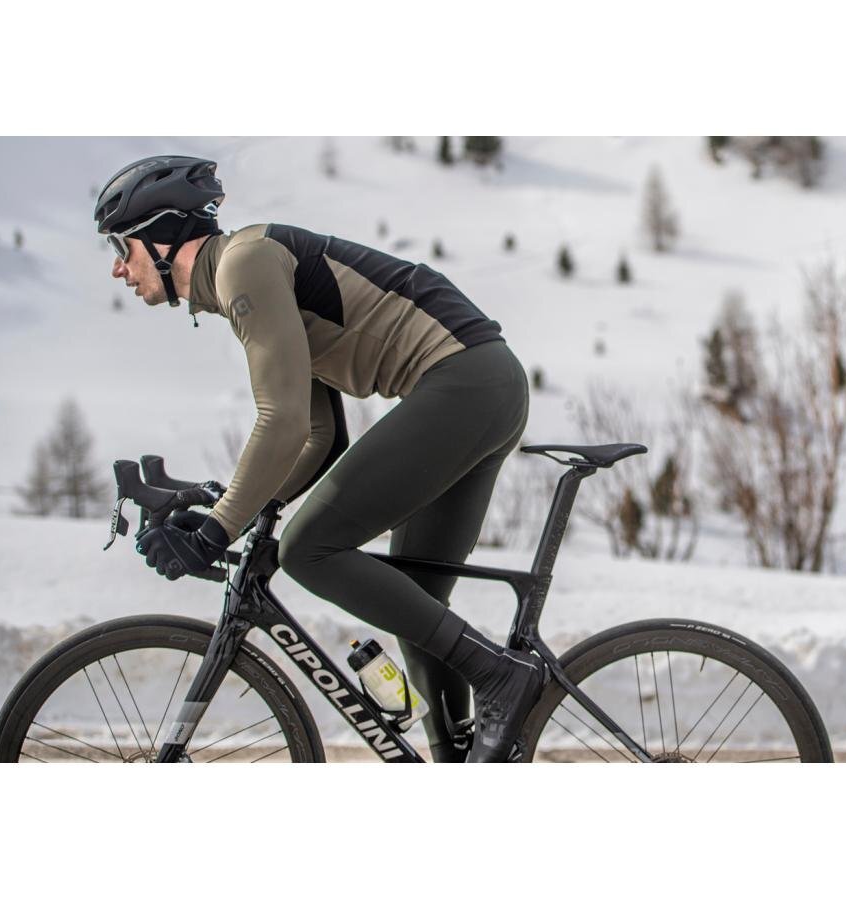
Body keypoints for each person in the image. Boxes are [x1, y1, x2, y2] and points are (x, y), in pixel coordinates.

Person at [94, 154, 545, 763]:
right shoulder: (243, 275)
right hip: (481, 385)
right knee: (413, 602)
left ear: (163, 235)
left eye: (121, 247)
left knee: (307, 548)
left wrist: (216, 530)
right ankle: (461, 759)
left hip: (464, 383)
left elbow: (279, 421)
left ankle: (500, 676)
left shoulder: (244, 265)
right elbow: (320, 435)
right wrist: (242, 508)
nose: (118, 268)